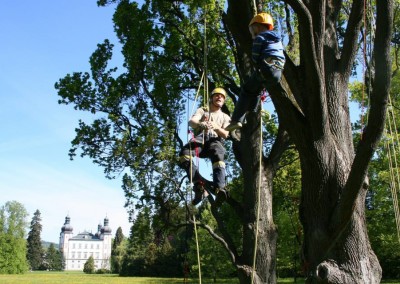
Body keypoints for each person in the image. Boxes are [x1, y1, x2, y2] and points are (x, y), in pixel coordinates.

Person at [225, 12, 285, 132]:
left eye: (252, 31)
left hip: (267, 67)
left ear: (257, 27)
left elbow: (255, 54)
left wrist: (256, 61)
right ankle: (251, 111)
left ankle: (236, 120)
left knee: (246, 90)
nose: (252, 35)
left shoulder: (260, 37)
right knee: (256, 89)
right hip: (278, 72)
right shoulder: (277, 41)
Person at [179, 87, 231, 206]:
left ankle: (220, 188)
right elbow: (192, 122)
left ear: (224, 101)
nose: (219, 98)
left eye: (222, 97)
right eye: (217, 95)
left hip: (215, 140)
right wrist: (201, 124)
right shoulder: (203, 111)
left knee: (218, 154)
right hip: (201, 139)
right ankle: (199, 186)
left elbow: (226, 134)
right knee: (184, 153)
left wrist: (216, 126)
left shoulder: (225, 117)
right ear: (211, 97)